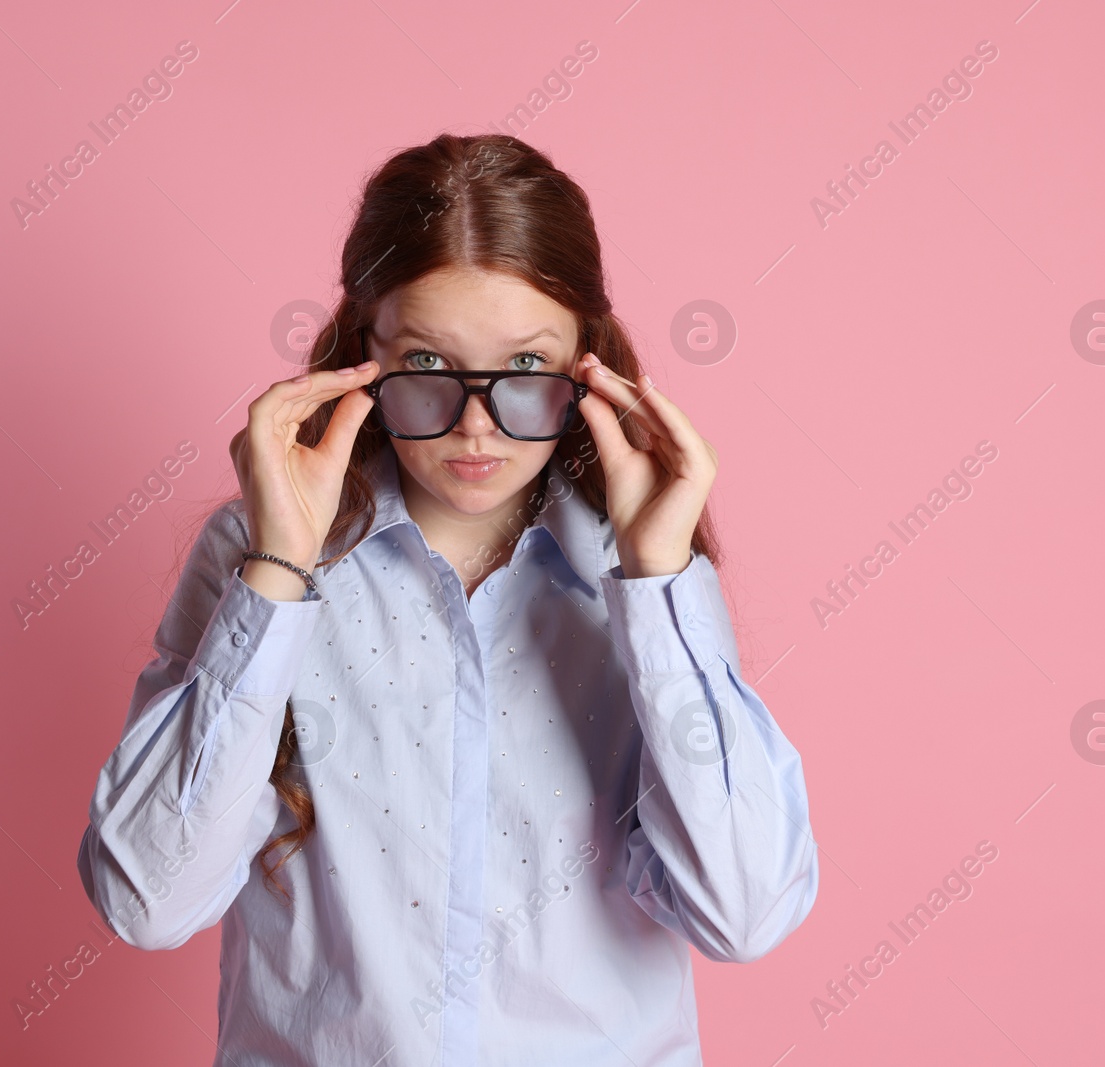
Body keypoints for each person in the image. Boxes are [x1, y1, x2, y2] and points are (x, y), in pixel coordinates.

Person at [76, 132, 818, 1066]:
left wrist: (662, 587)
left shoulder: (641, 576)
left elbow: (745, 911)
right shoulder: (255, 557)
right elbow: (147, 897)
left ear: (588, 365)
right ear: (363, 355)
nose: (477, 424)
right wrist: (276, 575)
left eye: (524, 369)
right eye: (428, 366)